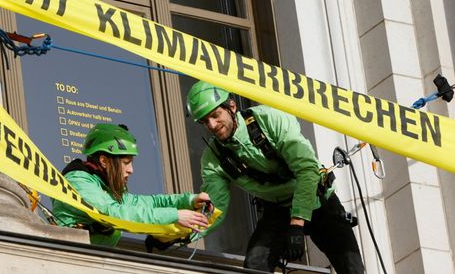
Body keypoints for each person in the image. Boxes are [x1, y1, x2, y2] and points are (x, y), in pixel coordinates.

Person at [185, 81, 364, 273]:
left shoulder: (269, 119)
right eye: (204, 121)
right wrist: (176, 233)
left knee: (352, 269)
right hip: (278, 209)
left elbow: (307, 170)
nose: (211, 125)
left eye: (215, 115)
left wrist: (296, 224)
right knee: (255, 265)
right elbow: (213, 207)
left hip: (318, 199)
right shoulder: (214, 158)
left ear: (231, 106)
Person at [51, 123, 212, 247]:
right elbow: (115, 213)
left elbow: (149, 203)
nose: (131, 170)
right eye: (126, 163)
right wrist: (175, 215)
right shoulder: (79, 182)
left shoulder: (104, 188)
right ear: (104, 161)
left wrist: (190, 200)